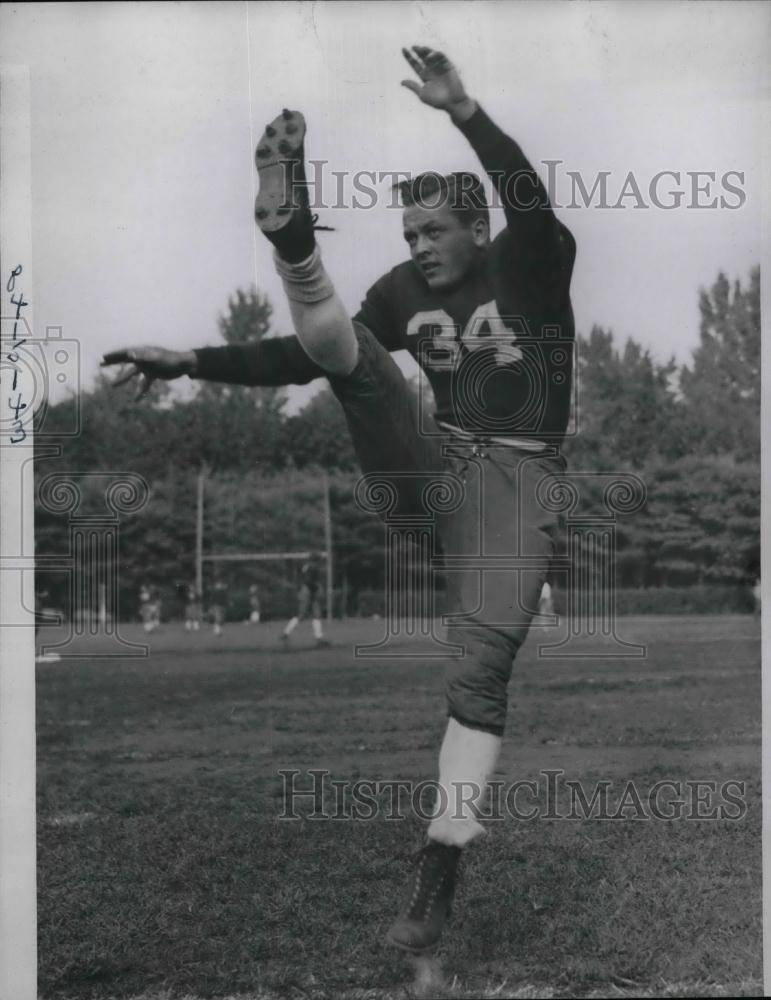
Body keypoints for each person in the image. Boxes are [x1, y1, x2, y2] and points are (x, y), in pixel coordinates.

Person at [102, 45, 576, 953]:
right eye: (406, 235)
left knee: (476, 677)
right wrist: (190, 360)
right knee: (355, 367)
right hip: (432, 467)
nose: (417, 248)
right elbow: (306, 356)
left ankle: (440, 863)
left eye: (433, 231)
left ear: (475, 228)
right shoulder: (402, 292)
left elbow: (527, 195)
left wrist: (464, 111)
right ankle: (296, 250)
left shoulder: (528, 261)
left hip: (516, 486)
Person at [281, 556, 328, 648]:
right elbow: (308, 580)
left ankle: (319, 639)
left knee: (316, 614)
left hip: (310, 590)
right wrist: (317, 587)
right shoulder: (312, 567)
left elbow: (305, 578)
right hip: (307, 591)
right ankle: (285, 633)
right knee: (302, 615)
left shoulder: (308, 566)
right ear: (316, 559)